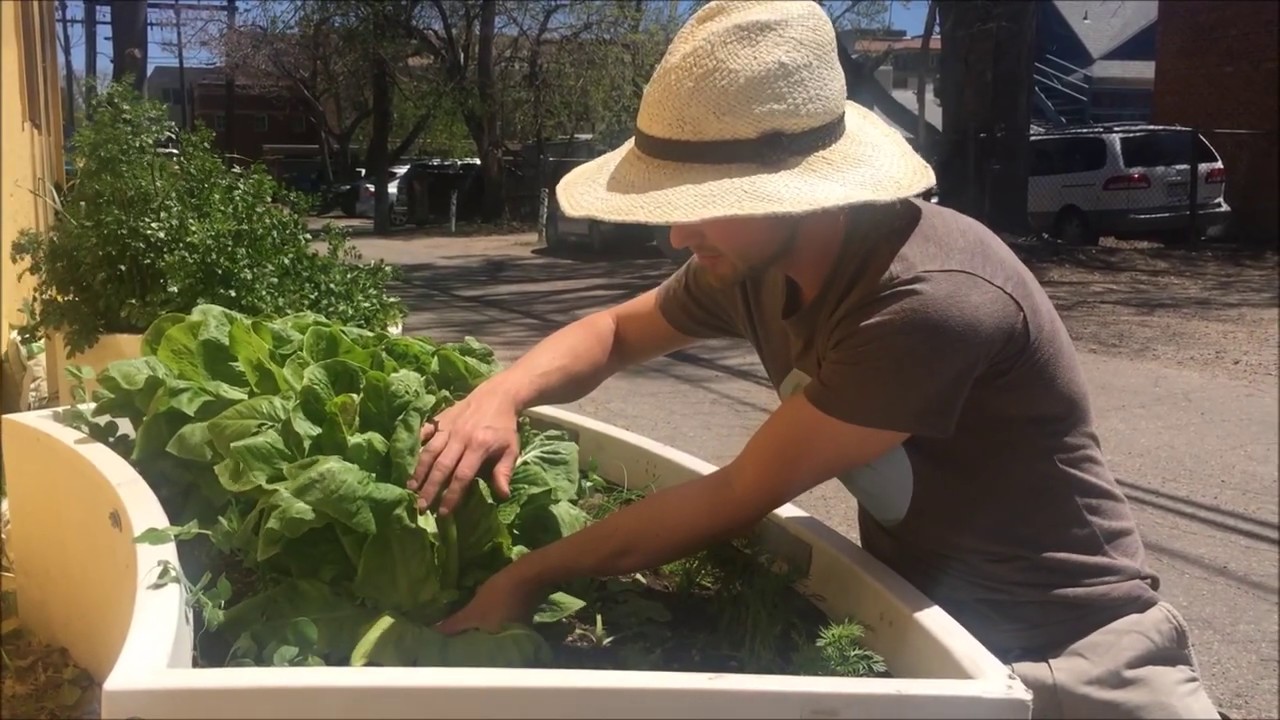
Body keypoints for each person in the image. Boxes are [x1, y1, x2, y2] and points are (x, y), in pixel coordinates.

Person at [407, 2, 1220, 718]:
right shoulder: (755, 264)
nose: (677, 237)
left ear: (795, 191)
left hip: (1081, 660)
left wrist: (525, 578)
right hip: (937, 640)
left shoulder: (930, 301)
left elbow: (736, 493)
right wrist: (501, 393)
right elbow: (617, 333)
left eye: (703, 209)